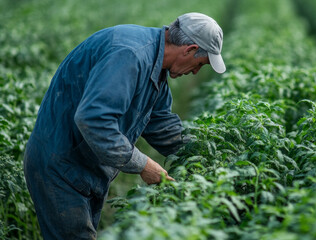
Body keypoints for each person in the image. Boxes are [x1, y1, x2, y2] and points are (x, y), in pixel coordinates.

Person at [23, 12, 225, 239]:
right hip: (60, 164)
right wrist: (143, 165)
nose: (196, 72)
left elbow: (161, 124)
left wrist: (206, 157)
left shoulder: (156, 66)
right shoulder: (130, 55)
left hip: (84, 164)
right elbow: (93, 120)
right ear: (189, 50)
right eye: (200, 64)